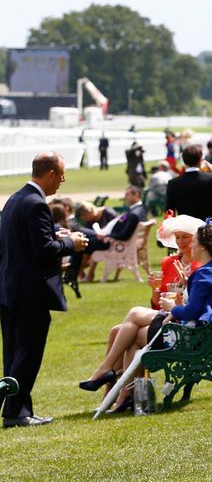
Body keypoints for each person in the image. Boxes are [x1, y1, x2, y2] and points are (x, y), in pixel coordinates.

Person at [78, 222, 212, 411]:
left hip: (192, 337)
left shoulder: (205, 273)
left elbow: (191, 312)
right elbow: (202, 305)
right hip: (202, 333)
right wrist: (188, 285)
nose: (191, 245)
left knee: (133, 321)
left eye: (194, 241)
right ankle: (122, 395)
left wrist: (173, 308)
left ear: (203, 246)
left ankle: (110, 378)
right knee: (132, 326)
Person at [0, 152, 89, 427]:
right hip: (31, 293)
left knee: (14, 353)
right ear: (50, 174)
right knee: (28, 353)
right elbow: (42, 250)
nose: (62, 181)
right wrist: (70, 243)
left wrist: (54, 236)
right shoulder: (38, 204)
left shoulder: (16, 199)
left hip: (10, 288)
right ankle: (16, 412)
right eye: (61, 175)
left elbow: (25, 242)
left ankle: (18, 408)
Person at [165, 144, 212, 221]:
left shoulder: (173, 183)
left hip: (185, 229)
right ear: (201, 160)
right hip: (209, 229)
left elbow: (169, 212)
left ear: (184, 161)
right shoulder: (210, 179)